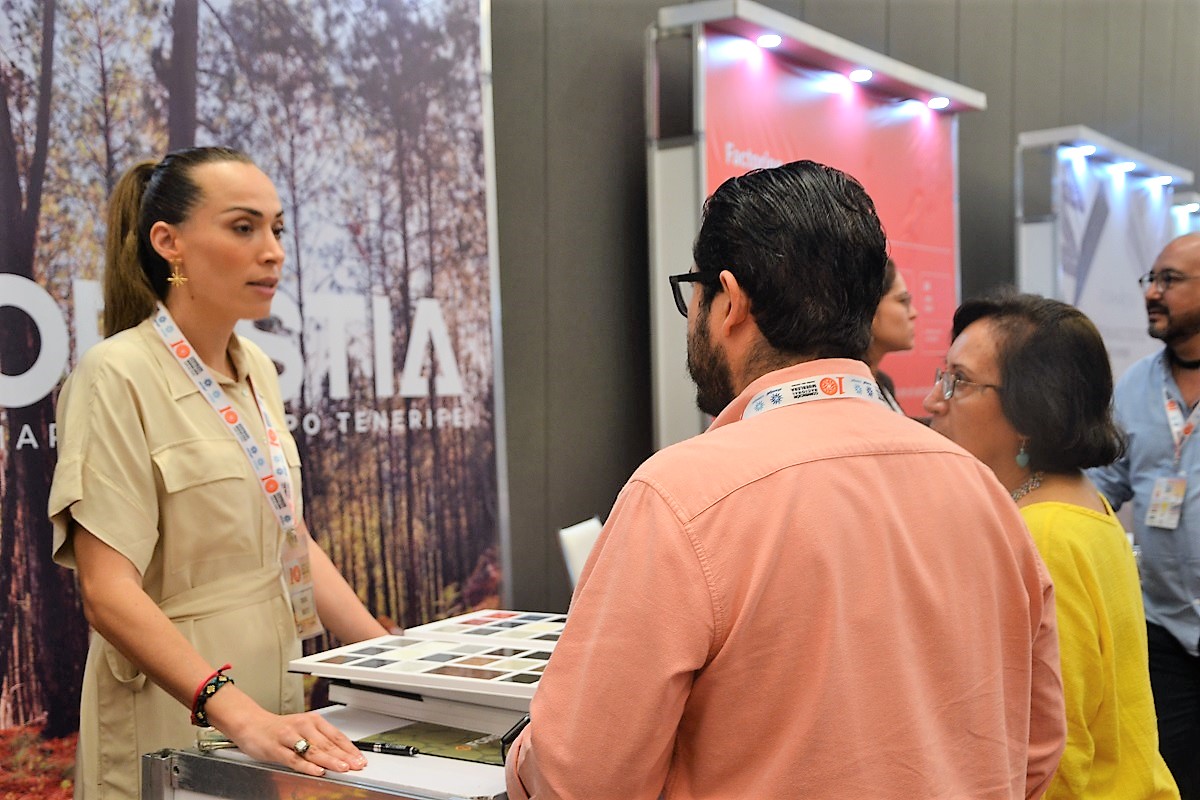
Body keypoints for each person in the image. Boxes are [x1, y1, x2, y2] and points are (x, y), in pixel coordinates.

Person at [504, 160, 1065, 799]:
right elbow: (1038, 748)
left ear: (731, 301)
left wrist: (524, 751)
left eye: (695, 296)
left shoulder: (683, 496)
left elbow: (581, 779)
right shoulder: (985, 493)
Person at [48, 146, 389, 799]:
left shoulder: (256, 367)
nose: (273, 251)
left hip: (273, 702)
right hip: (174, 714)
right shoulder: (115, 375)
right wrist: (231, 708)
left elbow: (290, 536)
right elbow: (107, 591)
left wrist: (386, 656)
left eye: (277, 229)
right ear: (168, 242)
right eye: (244, 227)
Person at [923, 291, 1179, 799]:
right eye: (941, 375)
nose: (934, 400)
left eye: (960, 382)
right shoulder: (1077, 505)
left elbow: (1055, 749)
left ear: (1027, 410)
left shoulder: (1042, 535)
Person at [1088, 232, 1200, 799]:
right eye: (1149, 280)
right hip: (1164, 631)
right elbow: (1103, 485)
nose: (1152, 293)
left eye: (1170, 280)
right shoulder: (1134, 388)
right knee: (1175, 773)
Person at [866, 257, 917, 411]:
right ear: (870, 308)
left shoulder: (884, 383)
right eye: (903, 301)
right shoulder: (846, 388)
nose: (914, 313)